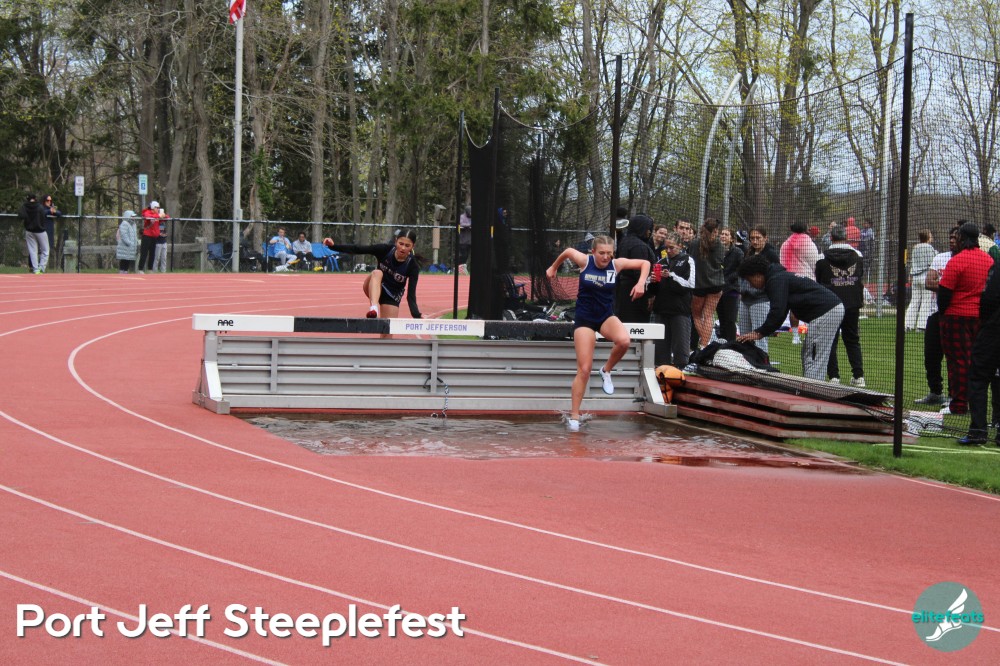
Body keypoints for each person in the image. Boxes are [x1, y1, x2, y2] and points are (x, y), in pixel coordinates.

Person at [546, 235, 650, 432]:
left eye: (609, 253)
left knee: (624, 340)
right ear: (593, 252)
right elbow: (567, 251)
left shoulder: (616, 265)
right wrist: (553, 267)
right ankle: (574, 416)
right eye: (601, 253)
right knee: (584, 369)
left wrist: (641, 282)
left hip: (605, 316)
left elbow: (645, 263)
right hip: (585, 318)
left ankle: (606, 370)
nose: (605, 257)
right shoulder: (585, 261)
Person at [735, 254, 844, 381]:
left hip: (827, 311)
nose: (751, 285)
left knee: (813, 356)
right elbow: (781, 313)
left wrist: (760, 332)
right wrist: (763, 331)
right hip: (829, 311)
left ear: (757, 275)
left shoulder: (776, 280)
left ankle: (811, 388)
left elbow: (777, 311)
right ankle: (810, 385)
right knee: (809, 352)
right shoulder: (778, 277)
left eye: (750, 280)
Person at [937, 221, 993, 416]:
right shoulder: (988, 260)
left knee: (958, 362)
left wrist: (943, 314)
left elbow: (944, 293)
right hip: (981, 318)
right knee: (978, 363)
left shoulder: (957, 261)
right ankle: (976, 404)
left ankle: (959, 404)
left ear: (961, 238)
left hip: (956, 317)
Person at [324, 229, 424, 320]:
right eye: (400, 243)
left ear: (413, 246)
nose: (402, 248)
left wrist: (417, 315)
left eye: (407, 246)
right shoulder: (385, 250)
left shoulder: (413, 266)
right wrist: (333, 246)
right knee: (377, 272)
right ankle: (374, 308)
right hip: (374, 286)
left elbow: (411, 295)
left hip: (391, 296)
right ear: (396, 241)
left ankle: (377, 309)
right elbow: (358, 249)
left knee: (387, 330)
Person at [815, 225, 866, 387]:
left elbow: (819, 280)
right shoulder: (857, 255)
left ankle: (834, 376)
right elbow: (860, 275)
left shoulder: (822, 257)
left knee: (831, 340)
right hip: (852, 303)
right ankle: (859, 376)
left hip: (831, 304)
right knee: (852, 340)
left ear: (831, 238)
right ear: (846, 237)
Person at [915, 227, 958, 407]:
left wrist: (942, 285)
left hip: (956, 315)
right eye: (950, 237)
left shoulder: (965, 259)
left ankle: (954, 395)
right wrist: (950, 287)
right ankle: (935, 392)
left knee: (954, 357)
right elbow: (928, 282)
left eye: (955, 237)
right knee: (931, 355)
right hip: (936, 313)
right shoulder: (940, 257)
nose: (952, 240)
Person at [959, 260, 1000, 445]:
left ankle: (978, 431)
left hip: (994, 329)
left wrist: (985, 321)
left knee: (978, 377)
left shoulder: (997, 268)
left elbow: (989, 298)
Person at [650, 232, 695, 367]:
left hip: (679, 311)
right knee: (660, 352)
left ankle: (681, 369)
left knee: (681, 350)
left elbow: (690, 284)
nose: (668, 251)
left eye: (672, 248)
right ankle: (660, 371)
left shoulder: (687, 260)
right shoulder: (660, 262)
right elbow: (652, 291)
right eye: (666, 248)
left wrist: (671, 276)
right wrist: (652, 281)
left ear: (680, 246)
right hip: (661, 310)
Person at [738, 225, 781, 354]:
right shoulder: (749, 252)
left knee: (759, 337)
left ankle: (762, 361)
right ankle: (746, 361)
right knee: (744, 337)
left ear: (765, 238)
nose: (755, 241)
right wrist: (742, 290)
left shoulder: (771, 255)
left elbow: (775, 277)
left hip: (761, 300)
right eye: (752, 238)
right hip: (745, 299)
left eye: (758, 238)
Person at [779, 220, 821, 343]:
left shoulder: (785, 244)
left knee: (794, 309)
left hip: (789, 280)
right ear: (805, 229)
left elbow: (781, 262)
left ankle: (795, 337)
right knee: (811, 308)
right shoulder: (808, 243)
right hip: (806, 280)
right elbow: (815, 263)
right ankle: (810, 334)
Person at [688, 218, 725, 348]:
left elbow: (690, 260)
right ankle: (705, 344)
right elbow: (720, 262)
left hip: (699, 284)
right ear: (715, 231)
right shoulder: (720, 245)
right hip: (716, 284)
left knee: (697, 315)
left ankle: (704, 343)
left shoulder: (694, 243)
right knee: (709, 315)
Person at [614, 214, 656, 323]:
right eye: (648, 229)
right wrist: (649, 294)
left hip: (623, 290)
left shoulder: (625, 241)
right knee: (636, 325)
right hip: (635, 293)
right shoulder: (639, 246)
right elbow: (639, 273)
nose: (649, 232)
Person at [905, 230, 936, 331]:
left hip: (915, 277)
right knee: (926, 302)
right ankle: (921, 326)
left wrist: (910, 275)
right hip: (925, 277)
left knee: (914, 301)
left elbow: (913, 263)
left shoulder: (915, 247)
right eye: (930, 235)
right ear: (927, 237)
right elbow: (932, 262)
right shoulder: (929, 248)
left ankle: (908, 325)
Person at [716, 228, 744, 343]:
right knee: (721, 318)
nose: (723, 236)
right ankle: (722, 342)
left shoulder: (738, 252)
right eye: (722, 234)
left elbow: (741, 269)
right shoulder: (716, 251)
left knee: (730, 319)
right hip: (718, 289)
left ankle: (732, 343)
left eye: (726, 234)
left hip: (731, 290)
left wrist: (727, 279)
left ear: (732, 238)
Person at [19, 193, 49, 274]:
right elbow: (43, 217)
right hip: (40, 231)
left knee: (33, 251)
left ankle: (35, 269)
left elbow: (21, 216)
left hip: (29, 231)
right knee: (45, 250)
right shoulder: (39, 206)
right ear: (35, 198)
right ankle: (41, 268)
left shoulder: (24, 206)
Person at [138, 200, 167, 273]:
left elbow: (166, 217)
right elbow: (147, 216)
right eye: (157, 208)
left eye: (159, 208)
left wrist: (163, 215)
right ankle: (140, 269)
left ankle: (150, 269)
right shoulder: (147, 212)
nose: (158, 209)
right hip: (147, 236)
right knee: (144, 253)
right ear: (153, 208)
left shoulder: (157, 214)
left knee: (152, 254)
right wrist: (158, 216)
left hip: (154, 237)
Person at [42, 194, 63, 269]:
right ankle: (37, 266)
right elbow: (42, 212)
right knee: (41, 250)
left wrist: (53, 211)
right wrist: (49, 211)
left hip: (49, 231)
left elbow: (59, 213)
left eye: (50, 200)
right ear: (44, 201)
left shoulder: (51, 208)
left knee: (48, 249)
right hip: (41, 231)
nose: (49, 202)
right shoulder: (41, 208)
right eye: (47, 200)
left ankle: (44, 267)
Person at [458, 205, 472, 270]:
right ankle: (458, 267)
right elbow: (460, 224)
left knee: (467, 255)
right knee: (463, 255)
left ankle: (462, 268)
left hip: (470, 240)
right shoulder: (462, 217)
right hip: (463, 240)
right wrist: (469, 225)